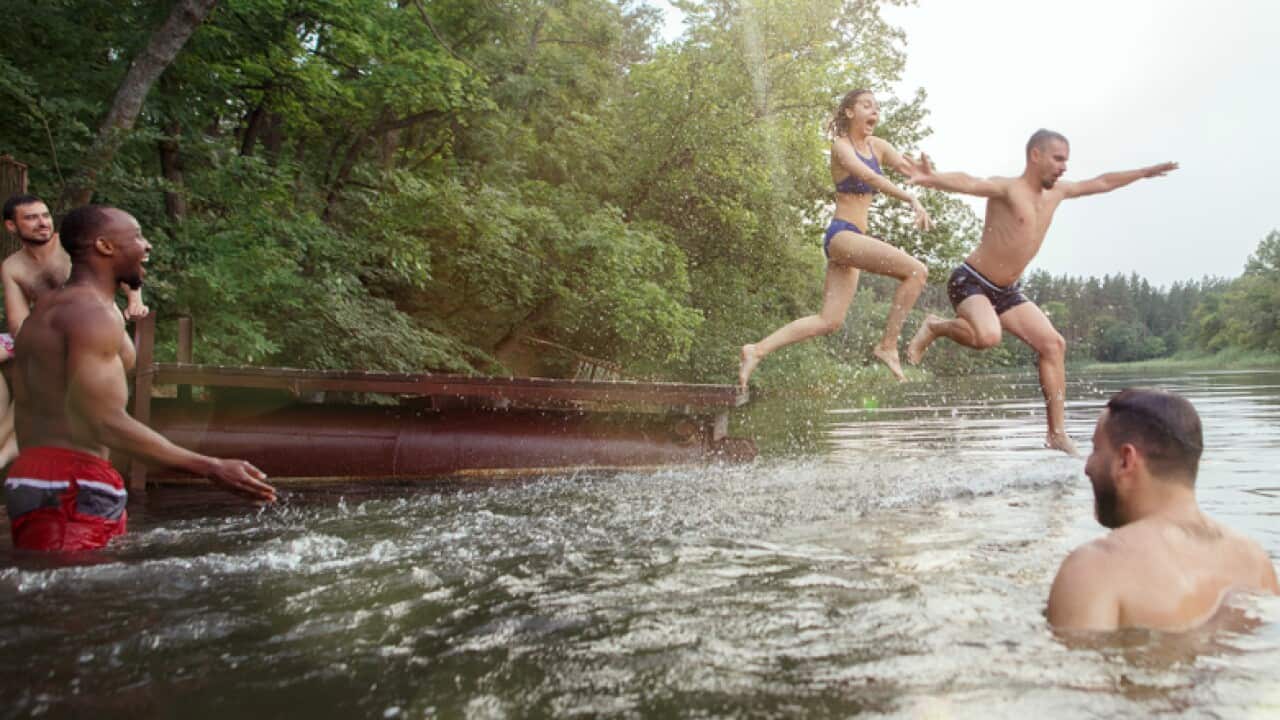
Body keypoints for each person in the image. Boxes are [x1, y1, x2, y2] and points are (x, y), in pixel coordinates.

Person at [4, 205, 275, 552]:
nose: (146, 246)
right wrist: (212, 467)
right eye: (136, 237)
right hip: (72, 482)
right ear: (104, 247)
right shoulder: (91, 314)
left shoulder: (55, 307)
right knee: (74, 603)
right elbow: (103, 422)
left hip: (42, 475)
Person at [903, 130, 1177, 454]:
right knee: (988, 337)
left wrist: (1144, 173)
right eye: (1058, 159)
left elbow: (1101, 182)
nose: (1063, 168)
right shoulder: (1008, 188)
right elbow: (971, 182)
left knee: (1053, 344)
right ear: (1035, 155)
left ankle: (1056, 434)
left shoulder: (1058, 193)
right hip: (972, 280)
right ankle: (936, 326)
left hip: (1006, 291)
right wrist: (933, 178)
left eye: (1066, 161)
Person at [738, 89, 933, 387]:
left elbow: (911, 170)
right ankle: (888, 346)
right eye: (867, 105)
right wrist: (910, 199)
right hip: (842, 234)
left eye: (877, 108)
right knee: (917, 271)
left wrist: (928, 173)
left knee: (829, 321)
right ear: (850, 112)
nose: (874, 112)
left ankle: (757, 350)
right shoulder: (840, 147)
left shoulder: (878, 146)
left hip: (853, 242)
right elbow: (871, 178)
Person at [1046, 389, 1278, 631]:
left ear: (1126, 460)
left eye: (1095, 450)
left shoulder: (1095, 567)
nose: (1087, 467)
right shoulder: (1254, 559)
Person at [3, 194, 150, 339]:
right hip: (50, 337)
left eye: (46, 216)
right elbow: (18, 324)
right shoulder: (12, 267)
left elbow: (120, 263)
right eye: (31, 218)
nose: (43, 223)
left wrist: (135, 301)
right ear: (11, 225)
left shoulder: (71, 242)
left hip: (99, 327)